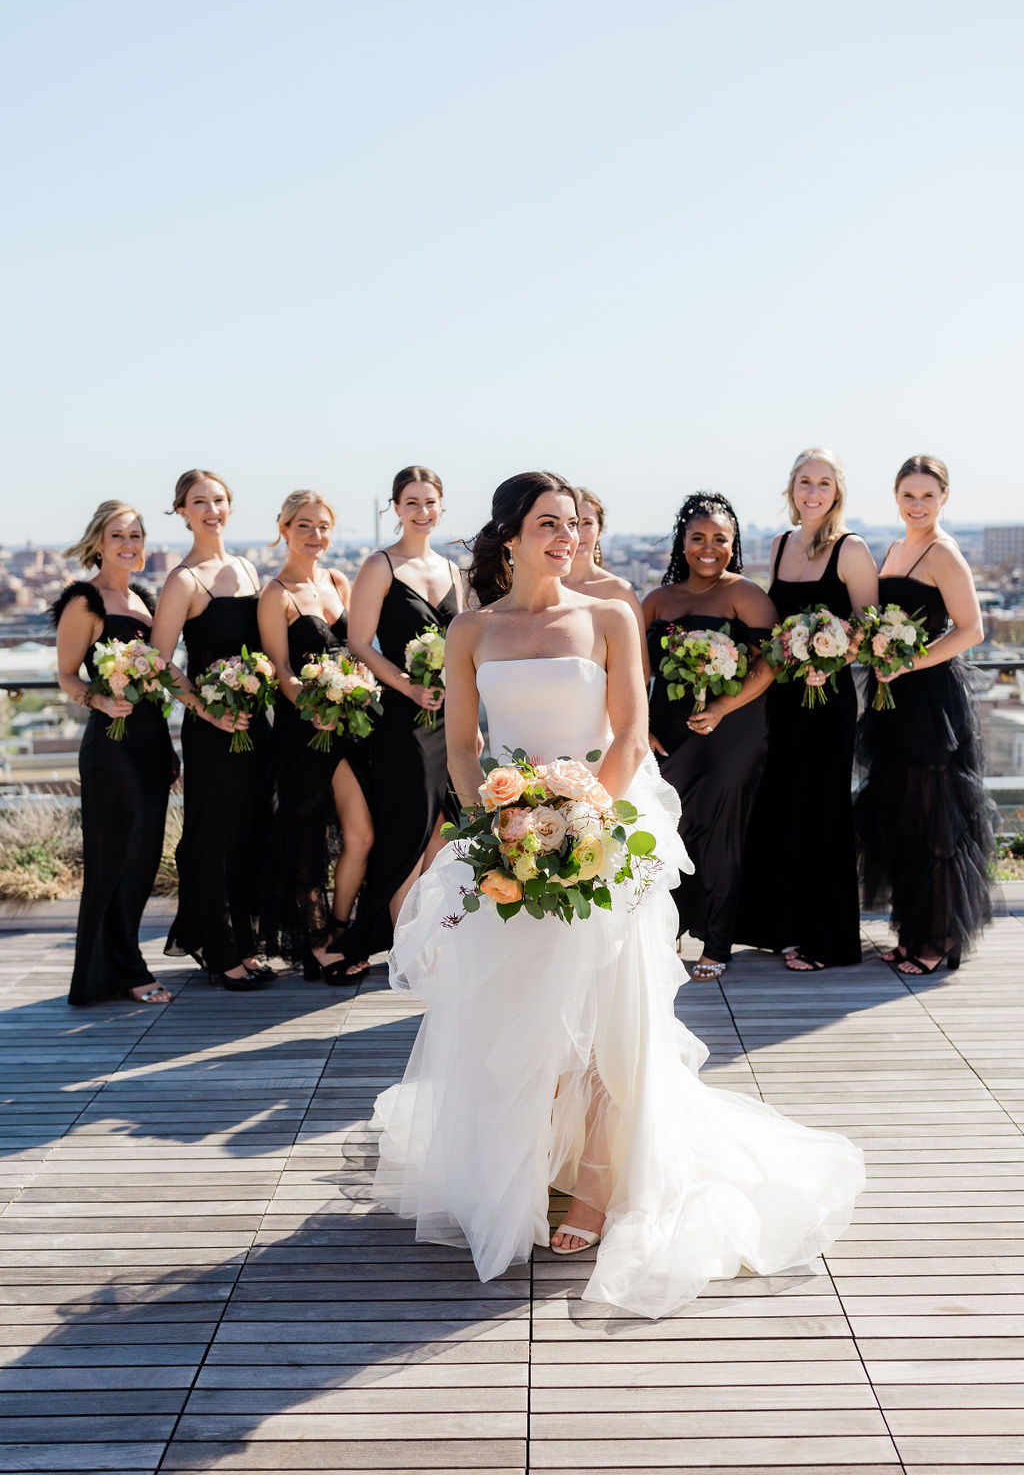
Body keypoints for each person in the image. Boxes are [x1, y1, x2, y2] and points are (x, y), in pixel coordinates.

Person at [371, 470, 864, 1320]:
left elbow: (632, 733)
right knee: (519, 1005)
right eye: (549, 525)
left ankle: (597, 1185)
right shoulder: (471, 629)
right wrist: (498, 821)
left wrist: (578, 824)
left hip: (600, 829)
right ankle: (535, 1164)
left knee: (604, 1010)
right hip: (508, 835)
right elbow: (462, 745)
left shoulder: (607, 615)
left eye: (574, 525)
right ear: (510, 537)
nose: (567, 538)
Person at [735, 449, 877, 971]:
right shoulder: (778, 545)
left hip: (828, 694)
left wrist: (833, 655)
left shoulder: (850, 548)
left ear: (836, 491)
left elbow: (868, 626)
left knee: (823, 811)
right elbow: (774, 623)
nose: (812, 491)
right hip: (785, 697)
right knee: (782, 805)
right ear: (790, 489)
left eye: (823, 482)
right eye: (804, 482)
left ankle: (826, 941)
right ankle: (781, 929)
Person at [856, 456, 995, 973]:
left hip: (930, 699)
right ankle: (911, 933)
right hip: (892, 697)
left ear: (944, 498)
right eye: (909, 496)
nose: (918, 505)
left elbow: (971, 629)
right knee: (901, 816)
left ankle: (937, 942)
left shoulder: (944, 553)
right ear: (896, 497)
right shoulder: (895, 547)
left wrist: (907, 660)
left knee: (933, 819)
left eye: (928, 496)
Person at [326, 465, 464, 978]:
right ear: (396, 507)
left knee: (440, 838)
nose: (422, 511)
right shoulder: (378, 565)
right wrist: (409, 686)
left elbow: (465, 646)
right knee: (407, 836)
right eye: (411, 502)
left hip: (447, 719)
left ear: (441, 505)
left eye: (430, 502)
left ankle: (425, 940)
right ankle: (406, 958)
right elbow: (359, 643)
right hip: (401, 720)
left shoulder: (454, 571)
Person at [642, 492, 777, 981]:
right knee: (668, 833)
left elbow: (769, 664)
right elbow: (638, 676)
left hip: (732, 731)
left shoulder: (746, 594)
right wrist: (644, 729)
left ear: (733, 542)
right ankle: (667, 935)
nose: (708, 547)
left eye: (720, 538)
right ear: (683, 541)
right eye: (698, 537)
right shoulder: (656, 601)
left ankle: (717, 943)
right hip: (668, 734)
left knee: (721, 835)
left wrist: (721, 707)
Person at [151, 470, 273, 991]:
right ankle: (220, 950)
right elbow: (157, 662)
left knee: (252, 832)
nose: (211, 509)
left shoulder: (247, 567)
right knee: (214, 835)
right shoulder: (183, 580)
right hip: (213, 729)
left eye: (218, 500)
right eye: (198, 502)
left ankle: (245, 945)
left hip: (255, 723)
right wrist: (207, 709)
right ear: (181, 511)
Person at [54, 502, 176, 1007]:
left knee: (145, 857)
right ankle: (127, 970)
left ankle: (115, 968)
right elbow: (65, 676)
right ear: (99, 543)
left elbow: (162, 676)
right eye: (117, 535)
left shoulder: (144, 600)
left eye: (135, 535)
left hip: (151, 741)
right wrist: (99, 699)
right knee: (116, 857)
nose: (128, 543)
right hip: (112, 744)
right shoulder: (85, 602)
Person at [258, 490, 373, 980]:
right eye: (304, 526)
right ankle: (316, 941)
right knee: (305, 840)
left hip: (347, 728)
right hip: (302, 732)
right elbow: (280, 668)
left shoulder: (337, 581)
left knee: (361, 835)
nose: (315, 536)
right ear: (284, 530)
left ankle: (342, 926)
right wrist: (312, 706)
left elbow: (356, 652)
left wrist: (355, 691)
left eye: (323, 526)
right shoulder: (275, 594)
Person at [566, 486, 650, 678]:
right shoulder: (542, 586)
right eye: (572, 523)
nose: (578, 532)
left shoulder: (619, 591)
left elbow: (641, 671)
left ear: (600, 530)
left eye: (587, 523)